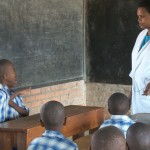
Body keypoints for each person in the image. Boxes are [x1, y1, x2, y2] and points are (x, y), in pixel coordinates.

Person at [129, 0, 150, 114]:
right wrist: (130, 95)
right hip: (137, 97)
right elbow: (136, 69)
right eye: (138, 16)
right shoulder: (141, 35)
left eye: (142, 16)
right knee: (138, 129)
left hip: (148, 97)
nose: (139, 19)